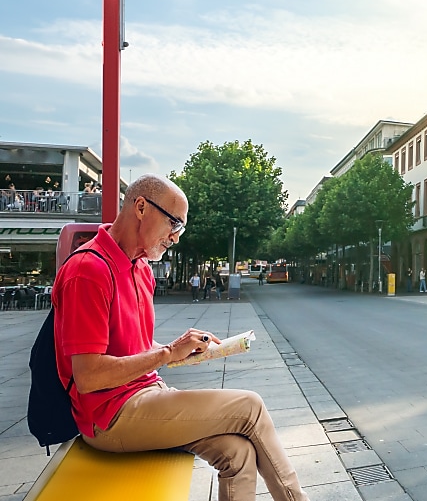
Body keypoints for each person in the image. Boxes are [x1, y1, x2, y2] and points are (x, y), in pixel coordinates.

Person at [52, 174, 309, 501]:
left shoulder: (140, 268)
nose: (176, 237)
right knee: (251, 406)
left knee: (239, 453)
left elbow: (135, 349)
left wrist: (179, 351)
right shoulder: (88, 270)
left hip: (143, 396)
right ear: (141, 207)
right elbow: (87, 377)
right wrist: (166, 354)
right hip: (108, 417)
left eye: (181, 228)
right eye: (174, 223)